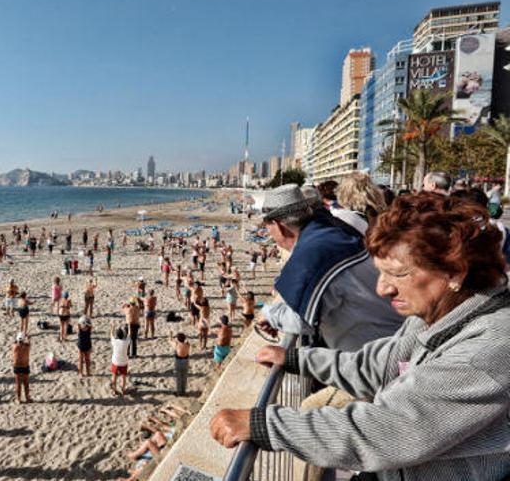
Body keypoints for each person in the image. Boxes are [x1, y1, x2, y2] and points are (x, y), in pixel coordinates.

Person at [210, 193, 510, 481]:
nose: (383, 289)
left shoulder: (487, 350)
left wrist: (264, 425)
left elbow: (389, 430)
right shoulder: (437, 315)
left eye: (398, 274)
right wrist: (296, 359)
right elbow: (375, 366)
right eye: (381, 273)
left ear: (455, 272)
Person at [258, 184, 403, 352]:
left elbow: (302, 321)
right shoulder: (331, 233)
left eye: (268, 229)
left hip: (383, 355)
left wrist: (270, 314)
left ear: (278, 225)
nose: (270, 235)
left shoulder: (311, 254)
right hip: (396, 336)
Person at [109, 322, 131, 396]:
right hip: (124, 361)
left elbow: (111, 335)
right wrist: (129, 327)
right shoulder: (126, 342)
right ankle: (123, 389)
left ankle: (114, 389)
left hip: (115, 361)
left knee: (114, 376)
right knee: (124, 376)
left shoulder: (115, 341)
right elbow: (129, 334)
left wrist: (112, 327)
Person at [11, 332, 32, 403]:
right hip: (25, 366)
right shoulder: (27, 346)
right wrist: (28, 338)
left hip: (17, 366)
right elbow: (28, 342)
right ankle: (27, 398)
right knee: (26, 383)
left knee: (18, 384)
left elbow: (15, 342)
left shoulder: (14, 346)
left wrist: (18, 339)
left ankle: (18, 399)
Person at [169, 332, 190, 396]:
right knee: (184, 376)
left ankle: (179, 392)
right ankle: (183, 391)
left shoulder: (176, 345)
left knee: (178, 377)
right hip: (186, 360)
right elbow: (187, 341)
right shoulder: (187, 344)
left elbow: (169, 341)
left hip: (178, 361)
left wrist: (170, 335)